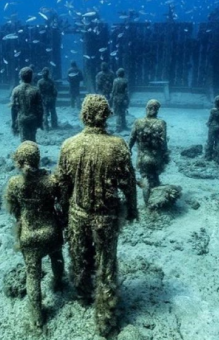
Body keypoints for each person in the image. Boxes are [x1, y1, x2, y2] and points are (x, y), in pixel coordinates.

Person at [56, 94, 137, 337]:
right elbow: (129, 183)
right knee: (107, 263)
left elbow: (62, 184)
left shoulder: (69, 144)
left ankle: (83, 295)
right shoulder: (118, 145)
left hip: (78, 214)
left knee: (79, 258)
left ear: (84, 115)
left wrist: (61, 212)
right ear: (107, 115)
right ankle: (106, 317)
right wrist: (132, 209)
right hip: (107, 216)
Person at [4, 141, 64, 329]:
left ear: (19, 161)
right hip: (51, 232)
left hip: (29, 236)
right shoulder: (51, 180)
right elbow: (61, 201)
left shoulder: (14, 183)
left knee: (32, 275)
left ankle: (37, 316)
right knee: (57, 257)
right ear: (37, 159)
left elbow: (13, 209)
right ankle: (58, 282)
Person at [129, 99, 170, 206]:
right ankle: (155, 200)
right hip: (156, 158)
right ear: (157, 110)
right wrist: (166, 156)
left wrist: (128, 149)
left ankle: (147, 203)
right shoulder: (161, 123)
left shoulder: (138, 122)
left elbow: (132, 138)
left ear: (147, 108)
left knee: (145, 178)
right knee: (155, 177)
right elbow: (164, 142)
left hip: (143, 157)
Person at [11, 67, 44, 142]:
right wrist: (40, 121)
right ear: (32, 76)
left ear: (20, 76)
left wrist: (13, 123)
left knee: (24, 140)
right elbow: (40, 108)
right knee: (32, 139)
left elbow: (13, 108)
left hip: (22, 118)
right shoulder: (36, 90)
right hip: (33, 118)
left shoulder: (16, 90)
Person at [204, 96, 219, 164]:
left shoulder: (213, 110)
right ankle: (218, 157)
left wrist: (208, 123)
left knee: (210, 141)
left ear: (216, 102)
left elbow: (210, 119)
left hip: (213, 127)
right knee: (218, 142)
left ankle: (208, 156)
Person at [111, 68, 129, 132]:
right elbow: (126, 91)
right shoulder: (125, 81)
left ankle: (118, 127)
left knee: (118, 113)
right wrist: (127, 99)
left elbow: (114, 90)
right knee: (123, 112)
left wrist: (111, 97)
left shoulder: (115, 81)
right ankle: (124, 125)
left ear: (118, 73)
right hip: (123, 98)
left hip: (116, 98)